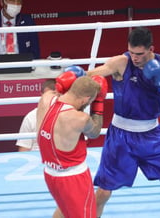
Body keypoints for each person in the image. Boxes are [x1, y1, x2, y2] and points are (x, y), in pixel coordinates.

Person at [87, 27, 160, 218]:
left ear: (151, 49)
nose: (134, 57)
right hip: (120, 136)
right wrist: (75, 77)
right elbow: (93, 74)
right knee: (102, 193)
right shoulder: (121, 62)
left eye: (139, 54)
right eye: (131, 52)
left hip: (152, 134)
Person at [37, 73, 108, 218]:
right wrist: (98, 102)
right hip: (74, 178)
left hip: (50, 174)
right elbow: (94, 132)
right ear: (86, 99)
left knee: (64, 210)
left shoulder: (46, 99)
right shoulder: (80, 118)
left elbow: (58, 93)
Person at [16, 79, 56, 152]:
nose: (51, 99)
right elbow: (23, 150)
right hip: (36, 159)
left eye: (54, 95)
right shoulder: (30, 117)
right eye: (47, 95)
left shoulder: (67, 115)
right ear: (41, 94)